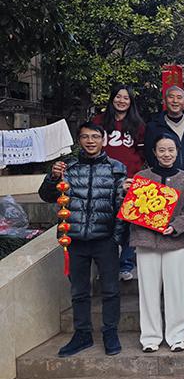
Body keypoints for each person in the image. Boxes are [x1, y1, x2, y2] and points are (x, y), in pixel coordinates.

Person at [38, 121, 126, 357]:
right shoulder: (67, 167)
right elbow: (47, 196)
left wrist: (117, 238)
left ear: (103, 140)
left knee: (110, 290)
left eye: (95, 136)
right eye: (85, 137)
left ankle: (110, 332)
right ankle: (82, 334)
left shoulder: (116, 168)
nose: (90, 141)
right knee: (79, 291)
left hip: (105, 239)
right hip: (74, 239)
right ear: (79, 141)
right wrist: (52, 177)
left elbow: (122, 205)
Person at [125, 133, 184, 353]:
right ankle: (150, 337)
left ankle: (177, 336)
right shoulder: (141, 177)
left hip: (175, 241)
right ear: (154, 152)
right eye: (162, 150)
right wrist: (125, 193)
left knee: (177, 290)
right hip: (146, 240)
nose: (166, 154)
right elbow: (130, 209)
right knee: (148, 291)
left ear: (177, 151)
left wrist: (176, 226)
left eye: (171, 150)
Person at [144, 85, 184, 278]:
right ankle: (163, 263)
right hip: (163, 180)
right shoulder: (154, 125)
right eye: (171, 97)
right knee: (165, 219)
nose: (175, 101)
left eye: (179, 97)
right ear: (165, 101)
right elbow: (149, 154)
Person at [92, 84, 146, 281]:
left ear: (131, 102)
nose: (121, 101)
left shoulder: (138, 125)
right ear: (112, 98)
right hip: (103, 181)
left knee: (129, 225)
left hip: (130, 181)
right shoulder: (98, 121)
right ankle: (106, 266)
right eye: (118, 96)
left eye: (126, 98)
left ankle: (125, 264)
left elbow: (142, 153)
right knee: (105, 225)